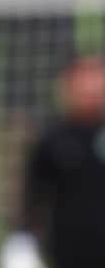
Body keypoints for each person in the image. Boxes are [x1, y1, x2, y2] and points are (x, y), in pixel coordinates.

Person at [20, 56, 105, 268]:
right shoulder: (52, 139)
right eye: (82, 78)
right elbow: (34, 196)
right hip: (67, 251)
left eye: (95, 77)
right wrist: (23, 240)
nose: (89, 86)